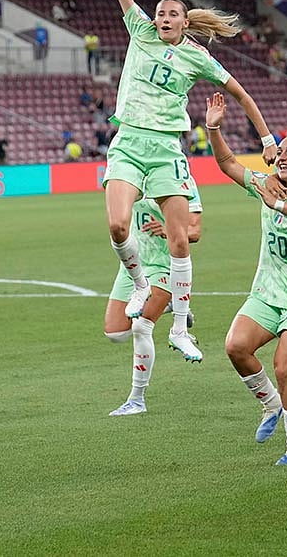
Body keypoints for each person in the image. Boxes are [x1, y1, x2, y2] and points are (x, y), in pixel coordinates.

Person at [97, 0, 277, 362]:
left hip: (164, 148)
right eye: (159, 12)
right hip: (128, 141)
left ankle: (179, 326)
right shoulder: (138, 31)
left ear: (183, 22)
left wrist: (268, 137)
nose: (162, 17)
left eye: (171, 13)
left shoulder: (198, 57)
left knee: (180, 240)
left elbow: (242, 94)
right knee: (119, 226)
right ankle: (141, 285)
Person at [206, 91, 287, 466]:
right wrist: (214, 129)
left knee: (284, 369)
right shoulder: (264, 182)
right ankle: (270, 405)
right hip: (266, 292)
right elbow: (227, 163)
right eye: (282, 150)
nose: (284, 156)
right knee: (235, 347)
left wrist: (277, 203)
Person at [103, 178, 203, 416]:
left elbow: (195, 231)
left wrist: (169, 229)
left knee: (141, 327)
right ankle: (172, 305)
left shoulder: (180, 179)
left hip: (164, 266)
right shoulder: (130, 175)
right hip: (133, 266)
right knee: (115, 333)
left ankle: (136, 399)